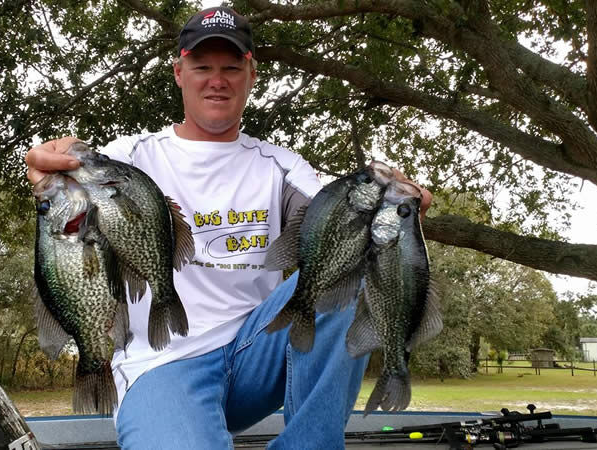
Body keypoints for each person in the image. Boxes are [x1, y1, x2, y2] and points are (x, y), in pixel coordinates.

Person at [25, 7, 432, 449]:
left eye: (231, 68)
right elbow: (65, 192)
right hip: (162, 364)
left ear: (251, 74)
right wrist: (50, 165)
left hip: (257, 352)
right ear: (179, 72)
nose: (216, 80)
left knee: (351, 269)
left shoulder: (282, 166)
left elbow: (336, 221)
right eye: (202, 67)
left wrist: (400, 208)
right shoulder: (128, 159)